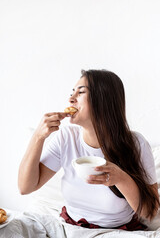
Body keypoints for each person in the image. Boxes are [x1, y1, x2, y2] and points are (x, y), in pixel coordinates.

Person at [18, 69, 159, 230]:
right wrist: (38, 137)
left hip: (116, 231)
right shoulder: (66, 137)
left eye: (81, 92)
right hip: (72, 227)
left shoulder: (136, 144)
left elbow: (150, 213)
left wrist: (120, 178)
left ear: (103, 101)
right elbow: (25, 187)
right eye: (72, 92)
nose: (71, 99)